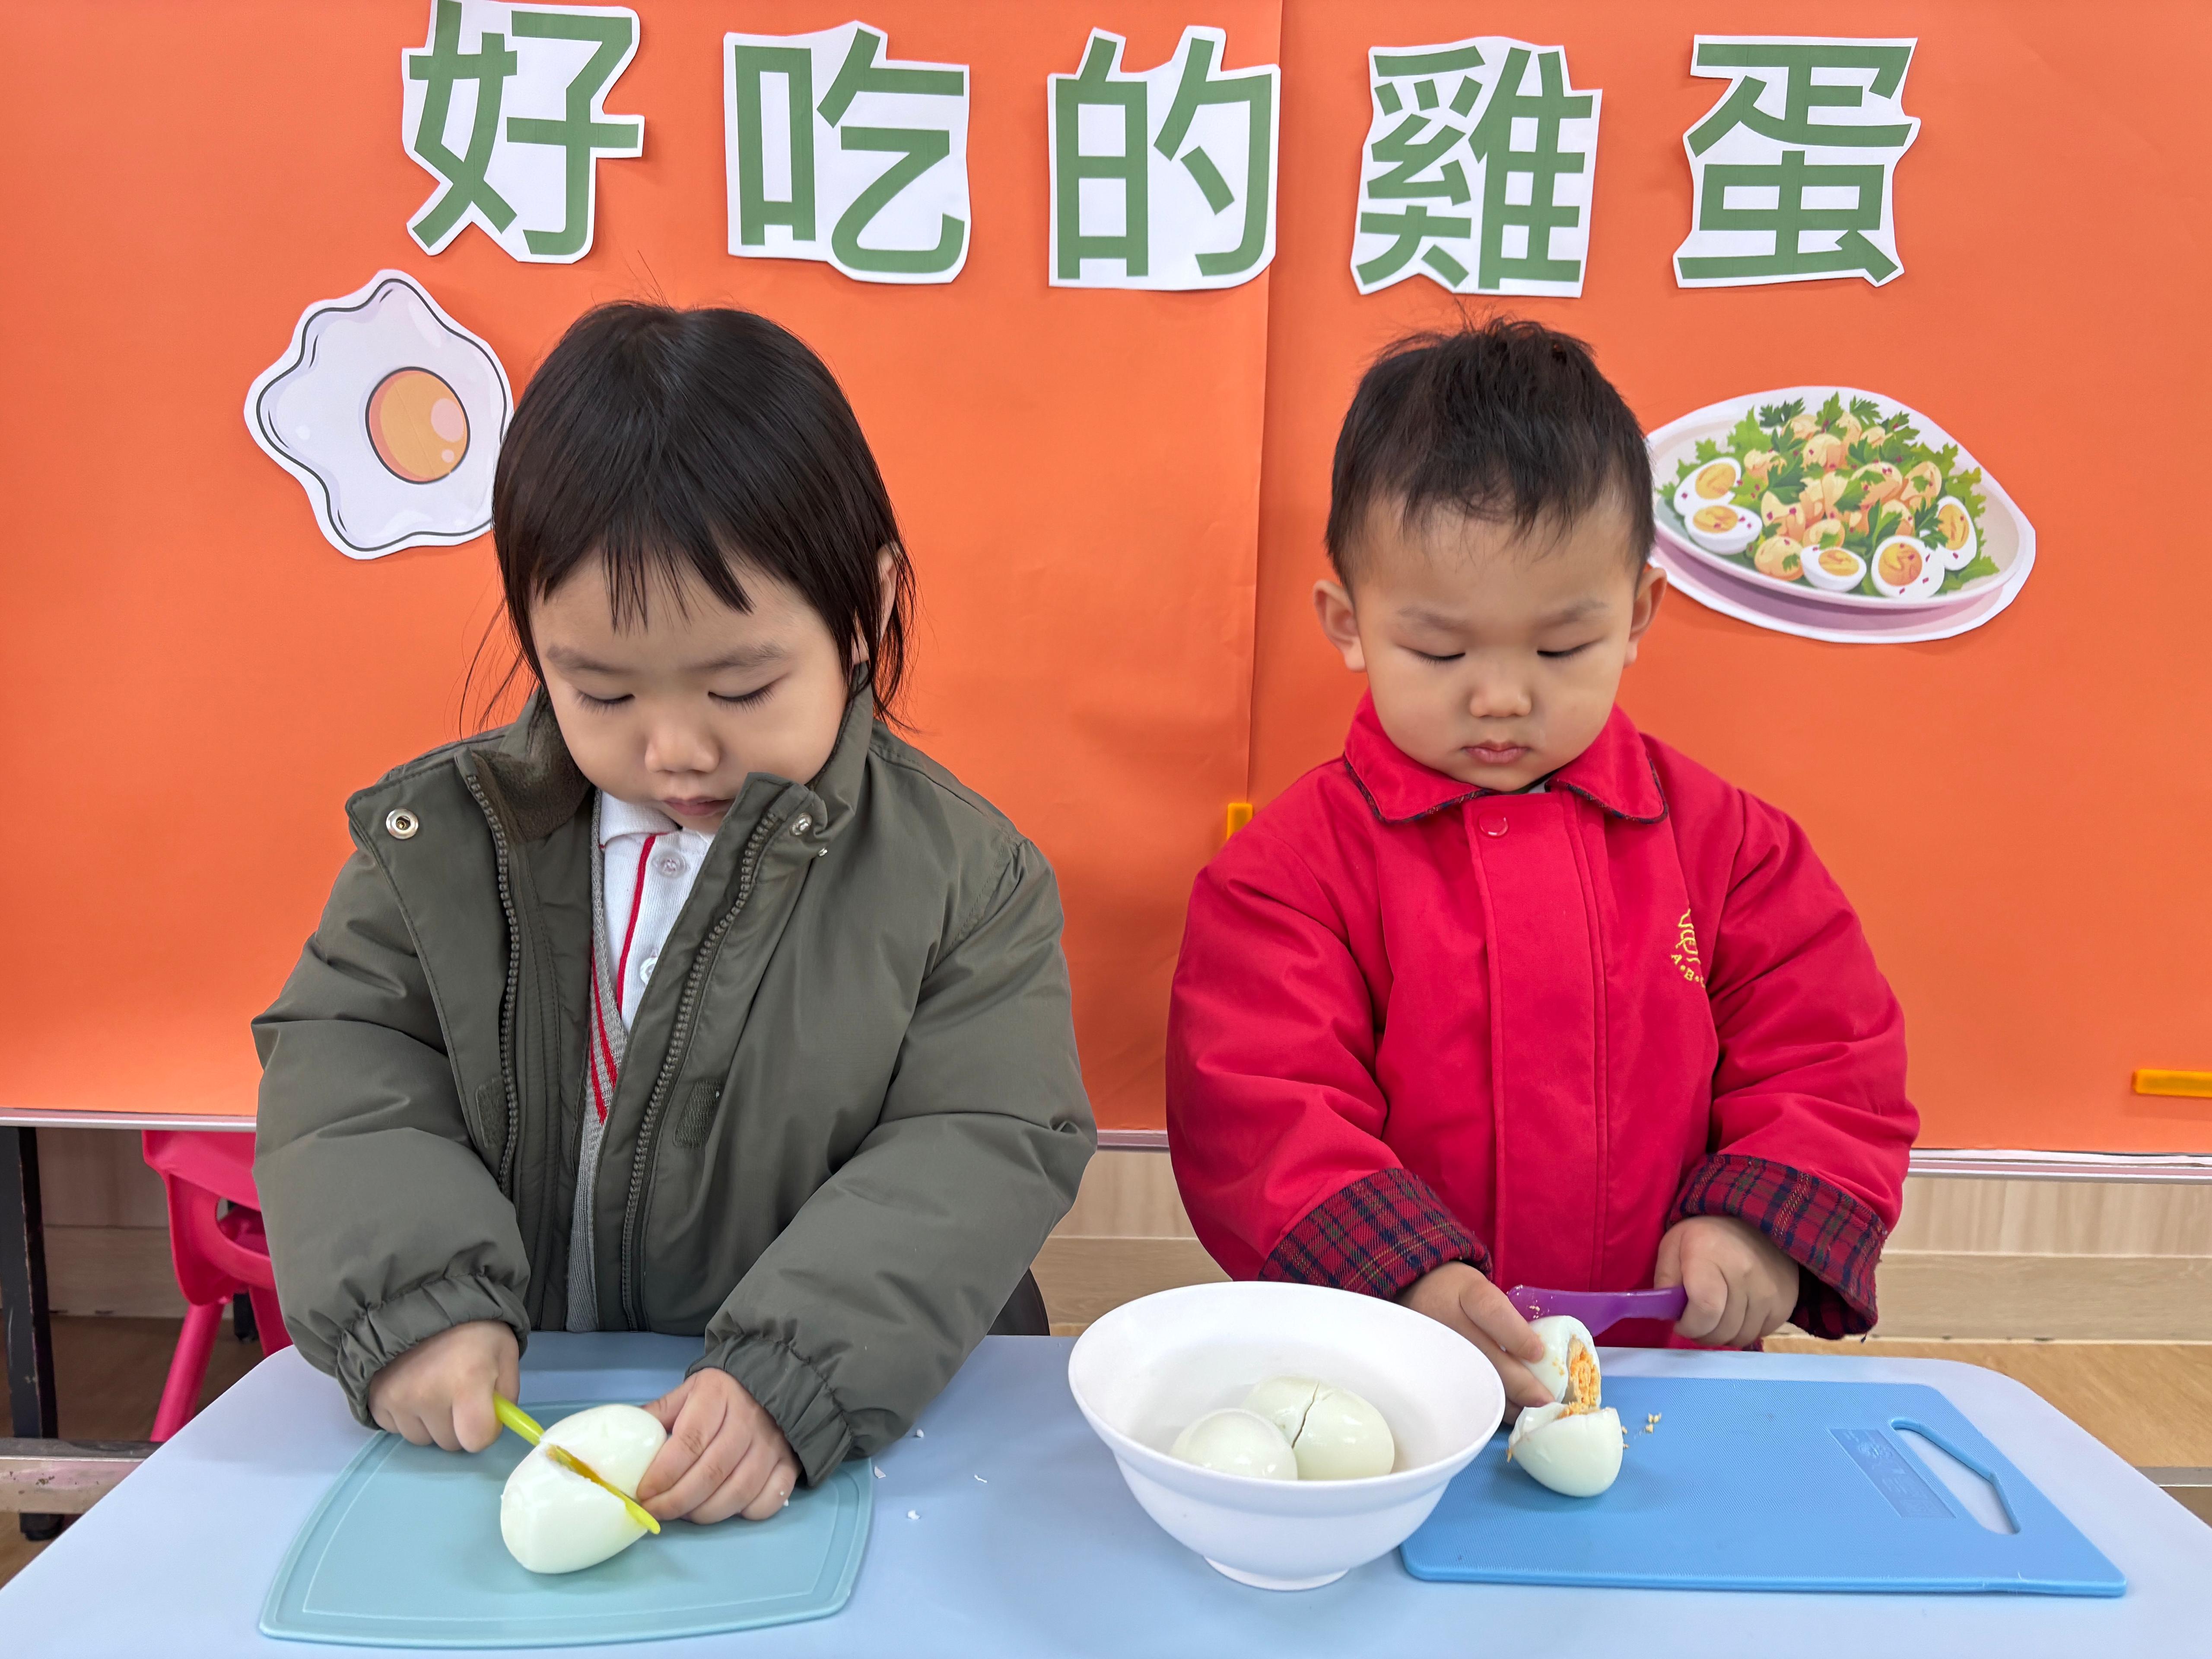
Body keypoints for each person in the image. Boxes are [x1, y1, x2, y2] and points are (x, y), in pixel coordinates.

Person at [255, 303, 1094, 1522]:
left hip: (843, 1437)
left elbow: (983, 1140)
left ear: (865, 614)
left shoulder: (968, 877)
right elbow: (348, 1065)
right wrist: (414, 1301)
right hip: (534, 1424)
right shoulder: (440, 844)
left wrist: (794, 1374)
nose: (676, 749)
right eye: (602, 693)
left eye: (742, 687)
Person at [1165, 320, 1916, 1408]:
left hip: (1671, 1370)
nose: (1502, 697)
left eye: (1561, 648)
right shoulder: (1285, 874)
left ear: (1638, 614)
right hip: (1397, 1370)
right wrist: (1404, 1275)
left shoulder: (1733, 849)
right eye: (1439, 650)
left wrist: (1757, 1224)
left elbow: (1827, 1060)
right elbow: (1263, 1108)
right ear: (1348, 623)